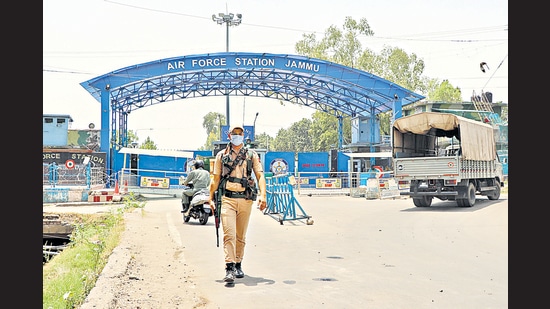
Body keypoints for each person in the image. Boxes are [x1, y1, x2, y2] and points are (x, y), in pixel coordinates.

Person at [209, 125, 267, 283]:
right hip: (227, 199)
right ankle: (229, 268)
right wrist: (210, 197)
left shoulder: (251, 155)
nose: (237, 136)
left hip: (245, 199)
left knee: (240, 236)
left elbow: (260, 176)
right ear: (229, 135)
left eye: (239, 133)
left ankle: (238, 264)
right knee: (229, 234)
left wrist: (263, 195)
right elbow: (215, 179)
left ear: (243, 135)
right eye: (234, 133)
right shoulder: (221, 155)